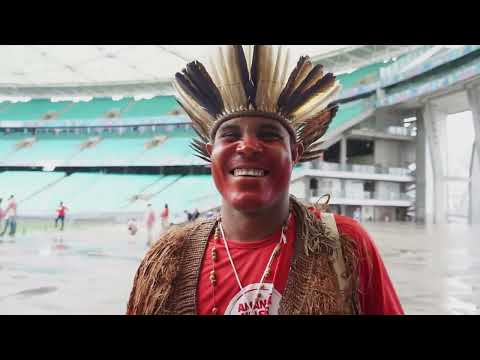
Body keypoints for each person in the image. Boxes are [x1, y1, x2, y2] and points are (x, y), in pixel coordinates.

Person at [127, 45, 403, 315]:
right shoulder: (168, 260)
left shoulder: (345, 245)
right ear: (212, 154)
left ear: (295, 153)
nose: (247, 146)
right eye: (230, 135)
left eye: (269, 134)